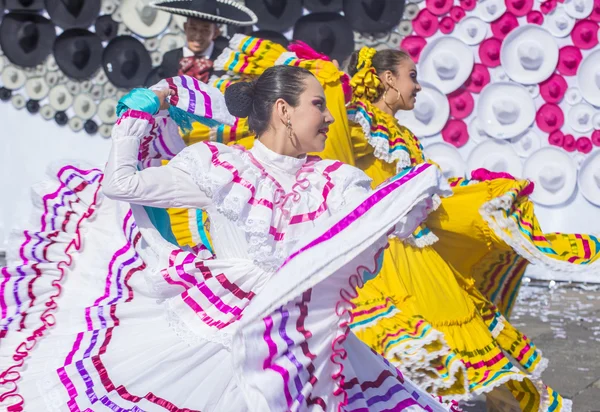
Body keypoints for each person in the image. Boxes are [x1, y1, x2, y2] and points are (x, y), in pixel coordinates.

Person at [0, 67, 452, 411]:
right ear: (283, 110)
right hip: (221, 326)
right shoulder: (220, 166)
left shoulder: (337, 180)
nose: (331, 117)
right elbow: (123, 185)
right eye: (319, 104)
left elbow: (373, 226)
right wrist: (136, 116)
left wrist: (412, 194)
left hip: (301, 338)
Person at [178, 37, 579, 410]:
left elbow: (421, 196)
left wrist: (478, 194)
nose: (418, 87)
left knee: (453, 350)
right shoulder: (351, 118)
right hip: (378, 261)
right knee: (392, 356)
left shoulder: (403, 133)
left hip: (417, 257)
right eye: (411, 77)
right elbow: (323, 151)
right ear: (388, 78)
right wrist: (326, 82)